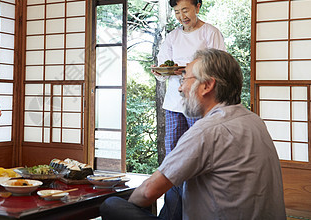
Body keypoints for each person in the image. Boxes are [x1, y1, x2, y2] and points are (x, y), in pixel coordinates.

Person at [101, 49, 286, 220]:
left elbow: (148, 192)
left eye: (184, 79)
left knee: (112, 205)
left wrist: (131, 207)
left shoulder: (207, 130)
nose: (180, 89)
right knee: (177, 185)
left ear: (206, 85)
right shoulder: (253, 120)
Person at [152, 0, 226, 218]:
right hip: (175, 103)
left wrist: (188, 69)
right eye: (176, 12)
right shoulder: (172, 37)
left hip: (200, 102)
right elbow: (161, 70)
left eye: (185, 9)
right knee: (173, 156)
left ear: (197, 6)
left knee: (200, 154)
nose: (181, 16)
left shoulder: (210, 33)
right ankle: (173, 211)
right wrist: (161, 71)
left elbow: (219, 68)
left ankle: (200, 208)